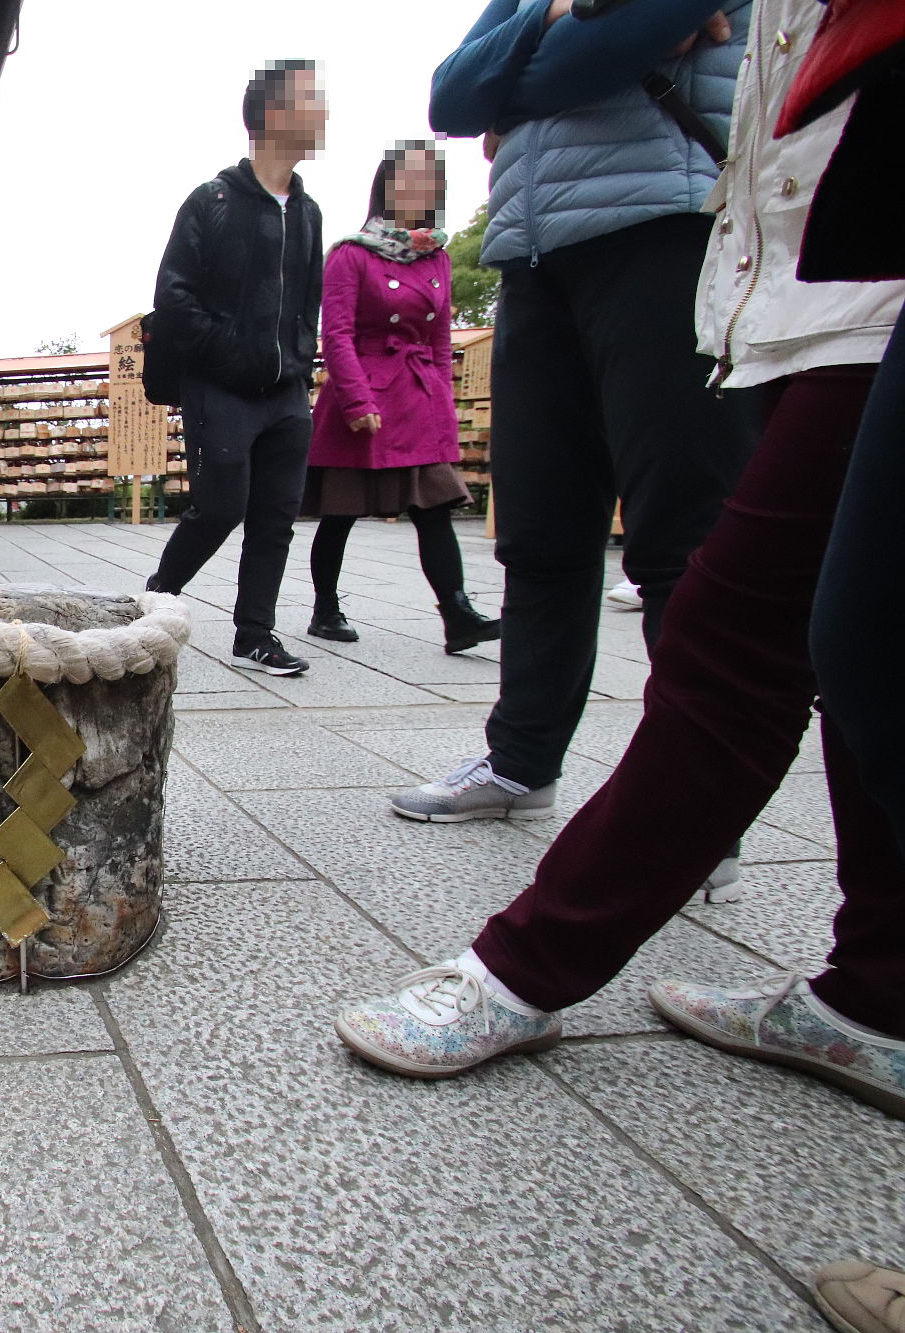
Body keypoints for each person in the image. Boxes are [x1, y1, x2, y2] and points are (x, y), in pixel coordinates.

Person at [333, 0, 905, 1125]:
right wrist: (548, 26)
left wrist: (542, 55)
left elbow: (610, 43)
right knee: (850, 639)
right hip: (784, 283)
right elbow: (457, 92)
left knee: (731, 621)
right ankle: (876, 993)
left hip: (808, 276)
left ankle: (529, 964)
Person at [388, 0, 758, 822]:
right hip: (535, 254)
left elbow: (596, 54)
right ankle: (521, 762)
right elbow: (451, 97)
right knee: (541, 535)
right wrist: (556, 15)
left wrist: (520, 80)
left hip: (668, 230)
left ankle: (701, 802)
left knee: (681, 538)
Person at [146, 60, 326, 677]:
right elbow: (172, 296)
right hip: (220, 388)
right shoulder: (213, 201)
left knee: (275, 520)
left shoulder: (308, 211)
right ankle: (152, 605)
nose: (322, 112)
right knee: (219, 509)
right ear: (271, 116)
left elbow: (309, 303)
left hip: (287, 393)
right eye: (310, 100)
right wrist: (229, 351)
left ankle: (255, 635)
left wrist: (300, 360)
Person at [301, 142, 500, 654]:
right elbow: (337, 335)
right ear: (387, 186)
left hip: (418, 397)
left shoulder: (438, 256)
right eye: (410, 177)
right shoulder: (351, 252)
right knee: (340, 511)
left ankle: (457, 613)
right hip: (361, 394)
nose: (421, 188)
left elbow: (437, 339)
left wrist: (444, 407)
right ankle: (325, 609)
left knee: (433, 505)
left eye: (431, 180)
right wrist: (357, 401)